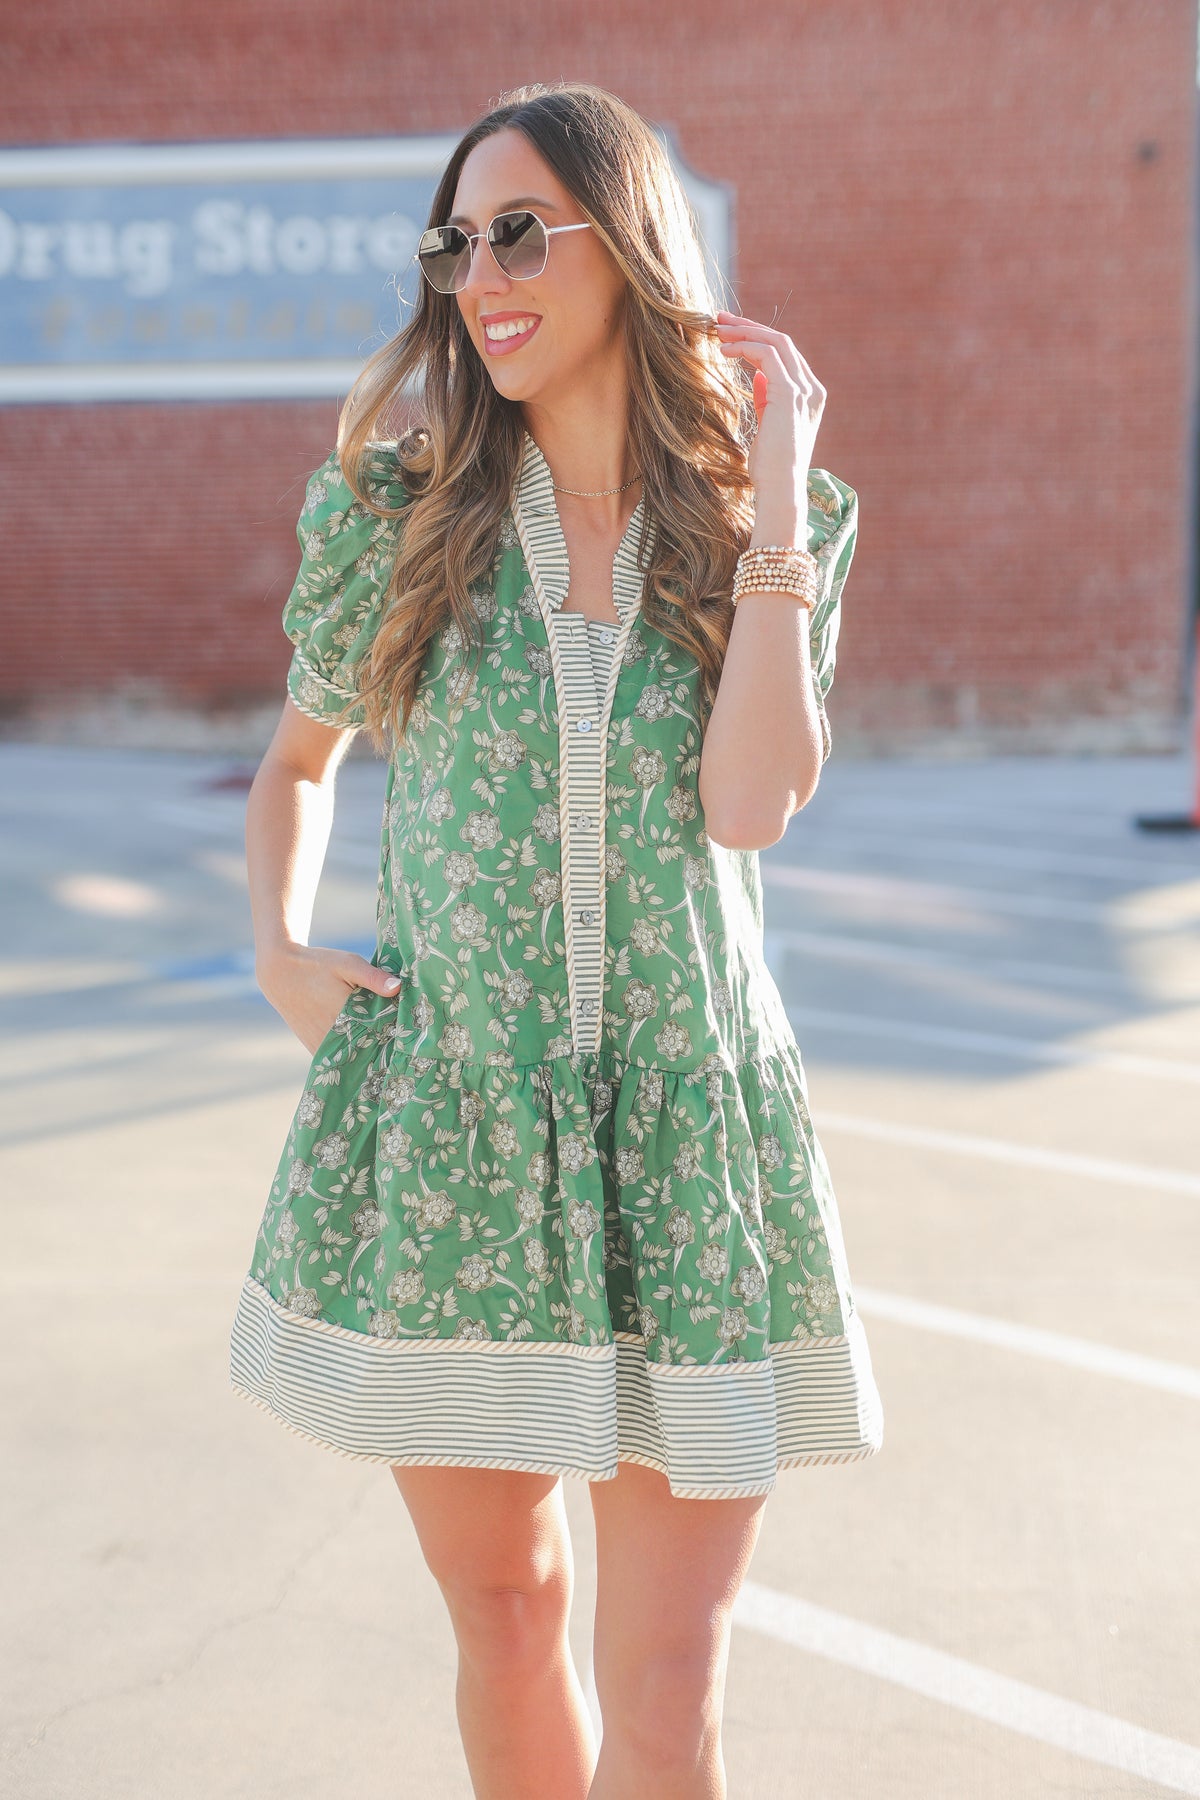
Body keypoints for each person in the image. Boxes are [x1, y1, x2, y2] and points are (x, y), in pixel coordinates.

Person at [228, 80, 883, 1800]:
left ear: (630, 242)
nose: (483, 273)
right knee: (510, 1616)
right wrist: (279, 950)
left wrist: (780, 490)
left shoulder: (762, 519)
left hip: (688, 1147)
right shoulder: (401, 508)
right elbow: (296, 766)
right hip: (463, 1146)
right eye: (456, 242)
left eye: (522, 230)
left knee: (674, 1670)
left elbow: (751, 806)